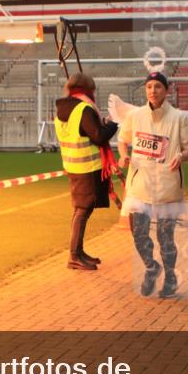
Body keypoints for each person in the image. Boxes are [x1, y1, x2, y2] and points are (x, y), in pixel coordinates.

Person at [117, 72, 188, 299]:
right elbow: (123, 139)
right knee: (139, 235)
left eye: (158, 86)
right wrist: (123, 156)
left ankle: (170, 277)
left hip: (168, 187)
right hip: (140, 185)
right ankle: (152, 267)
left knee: (165, 237)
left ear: (166, 90)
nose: (153, 91)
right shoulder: (136, 115)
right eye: (149, 86)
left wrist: (181, 156)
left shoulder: (179, 118)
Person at [54, 72, 119, 270]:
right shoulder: (84, 109)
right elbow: (98, 136)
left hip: (73, 165)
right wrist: (112, 124)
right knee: (83, 210)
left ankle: (78, 252)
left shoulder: (62, 108)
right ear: (88, 89)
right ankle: (74, 255)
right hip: (87, 168)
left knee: (81, 210)